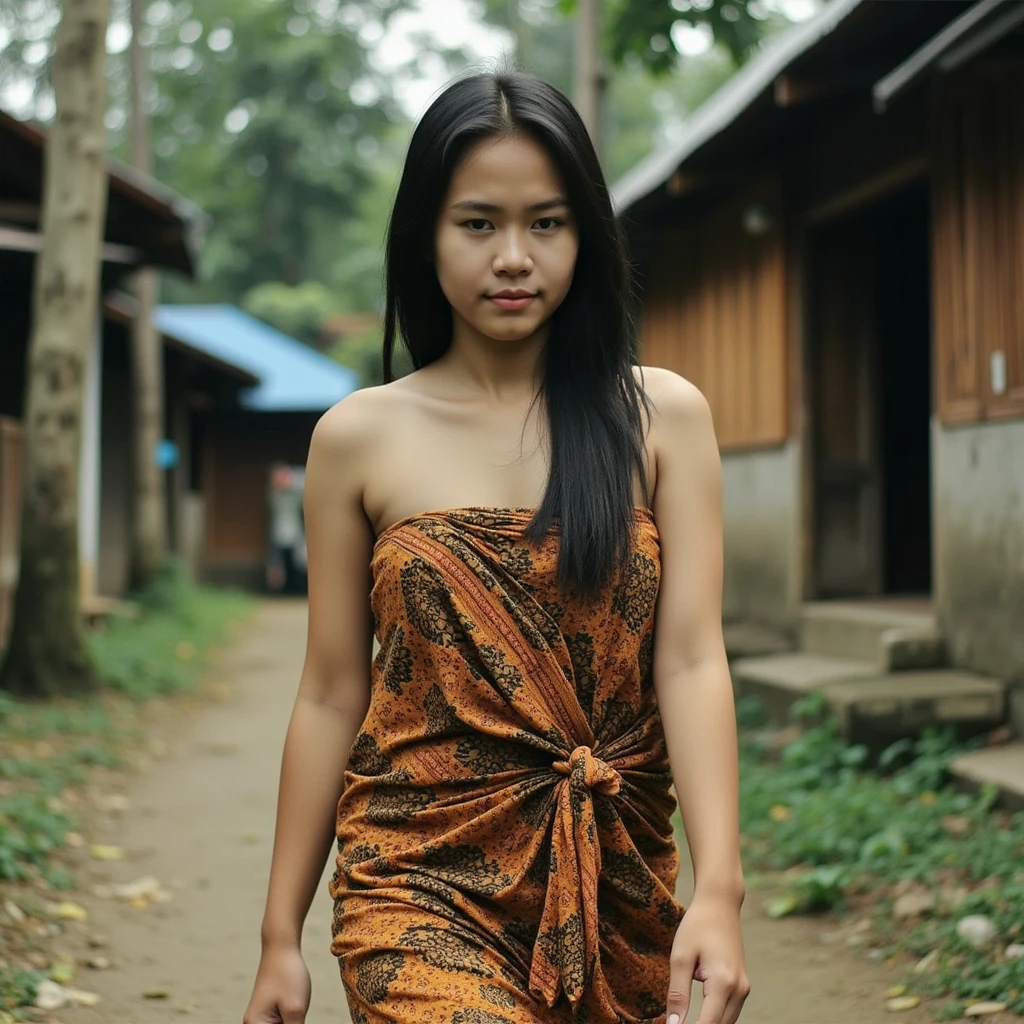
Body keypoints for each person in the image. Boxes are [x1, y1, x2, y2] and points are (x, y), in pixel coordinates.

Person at [243, 70, 749, 1024]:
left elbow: (689, 660)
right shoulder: (358, 436)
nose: (513, 257)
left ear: (585, 238)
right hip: (414, 875)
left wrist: (719, 892)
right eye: (478, 223)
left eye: (546, 224)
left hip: (618, 877)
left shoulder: (661, 419)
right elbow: (329, 690)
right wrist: (279, 936)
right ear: (425, 237)